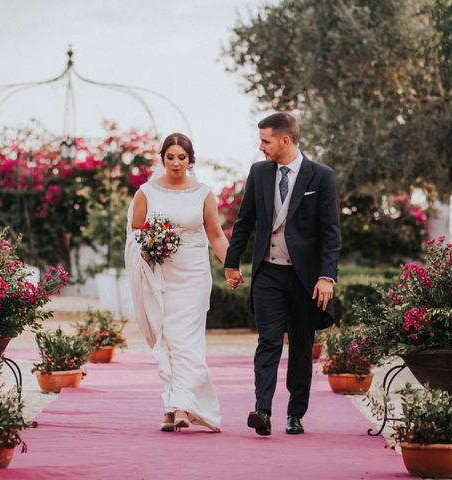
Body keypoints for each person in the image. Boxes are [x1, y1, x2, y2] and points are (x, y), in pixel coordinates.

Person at [224, 112, 341, 436]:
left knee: (302, 347)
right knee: (269, 341)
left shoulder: (321, 176)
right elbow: (245, 223)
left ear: (285, 140)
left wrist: (326, 277)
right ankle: (262, 410)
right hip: (268, 274)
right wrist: (232, 264)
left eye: (265, 140)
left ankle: (295, 413)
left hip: (305, 279)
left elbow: (331, 234)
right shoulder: (259, 173)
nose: (261, 147)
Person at [125, 133, 228, 433]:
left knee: (187, 340)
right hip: (159, 275)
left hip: (194, 276)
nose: (176, 163)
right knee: (166, 338)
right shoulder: (146, 192)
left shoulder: (203, 194)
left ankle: (183, 406)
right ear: (163, 159)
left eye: (182, 157)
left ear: (190, 160)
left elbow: (217, 236)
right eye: (170, 157)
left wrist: (230, 266)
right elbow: (135, 234)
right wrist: (150, 246)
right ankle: (172, 406)